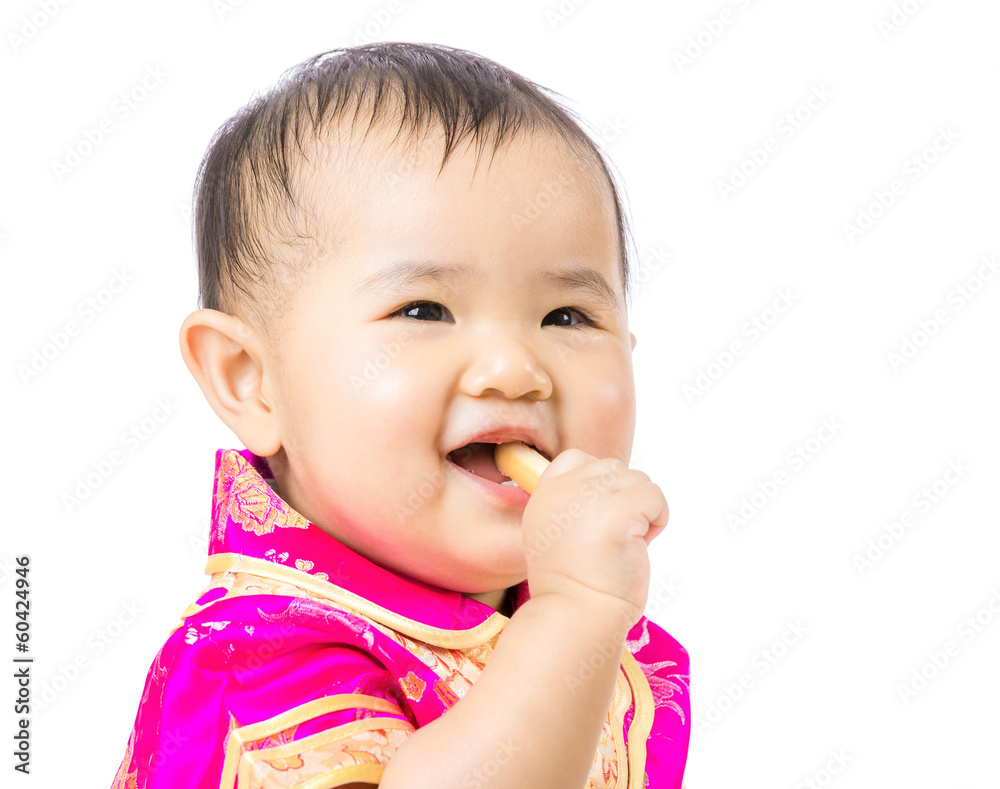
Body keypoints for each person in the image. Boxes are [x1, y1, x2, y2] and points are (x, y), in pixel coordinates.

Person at [111, 41, 690, 788]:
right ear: (251, 381)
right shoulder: (248, 651)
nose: (516, 369)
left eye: (568, 316)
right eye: (424, 310)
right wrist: (574, 615)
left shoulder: (597, 635)